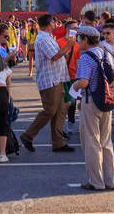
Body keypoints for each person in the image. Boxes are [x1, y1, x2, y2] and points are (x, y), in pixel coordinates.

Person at [71, 26, 114, 192]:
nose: (77, 41)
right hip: (107, 101)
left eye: (79, 38)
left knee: (92, 142)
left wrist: (73, 89)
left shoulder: (86, 57)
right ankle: (110, 179)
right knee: (106, 141)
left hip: (91, 101)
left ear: (85, 39)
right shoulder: (107, 54)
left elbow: (83, 82)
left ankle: (96, 181)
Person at [21, 14, 74, 153]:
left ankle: (58, 142)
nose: (55, 24)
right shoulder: (43, 38)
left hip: (59, 78)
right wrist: (69, 45)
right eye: (53, 22)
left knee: (61, 109)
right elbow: (54, 56)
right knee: (50, 110)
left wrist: (66, 50)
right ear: (48, 24)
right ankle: (28, 135)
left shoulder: (49, 37)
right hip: (50, 80)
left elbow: (58, 54)